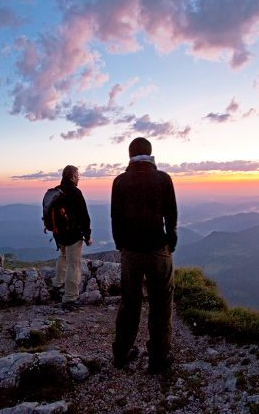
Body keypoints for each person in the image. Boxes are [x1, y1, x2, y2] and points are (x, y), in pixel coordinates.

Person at [111, 137, 178, 374]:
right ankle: (158, 358)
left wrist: (122, 245)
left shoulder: (119, 182)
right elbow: (171, 216)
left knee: (130, 303)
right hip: (158, 250)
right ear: (150, 154)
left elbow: (115, 219)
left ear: (130, 155)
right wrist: (171, 241)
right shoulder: (163, 179)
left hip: (130, 252)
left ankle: (121, 353)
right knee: (161, 304)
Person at [52, 165, 92, 311]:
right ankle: (70, 298)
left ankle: (57, 285)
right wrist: (87, 236)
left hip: (58, 235)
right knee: (73, 264)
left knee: (62, 257)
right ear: (72, 177)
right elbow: (84, 216)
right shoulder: (75, 192)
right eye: (77, 175)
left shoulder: (57, 191)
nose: (79, 177)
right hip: (73, 235)